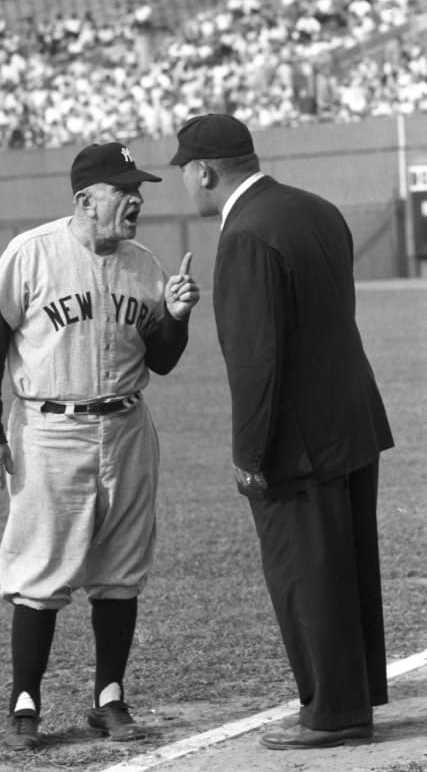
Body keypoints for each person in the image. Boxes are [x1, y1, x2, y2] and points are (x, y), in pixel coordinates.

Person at [169, 113, 393, 750]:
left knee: (306, 574)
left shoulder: (244, 233)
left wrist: (249, 454)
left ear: (205, 171)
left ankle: (333, 714)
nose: (187, 182)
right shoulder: (316, 209)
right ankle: (354, 695)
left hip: (297, 442)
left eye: (186, 171)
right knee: (348, 568)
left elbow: (256, 359)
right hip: (351, 418)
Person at [0, 141, 200, 750]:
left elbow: (163, 360)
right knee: (41, 567)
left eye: (140, 191)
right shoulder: (33, 253)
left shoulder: (145, 265)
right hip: (49, 429)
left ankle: (110, 696)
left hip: (126, 427)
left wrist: (175, 317)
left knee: (121, 568)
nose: (135, 201)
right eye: (123, 191)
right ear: (85, 199)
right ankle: (25, 700)